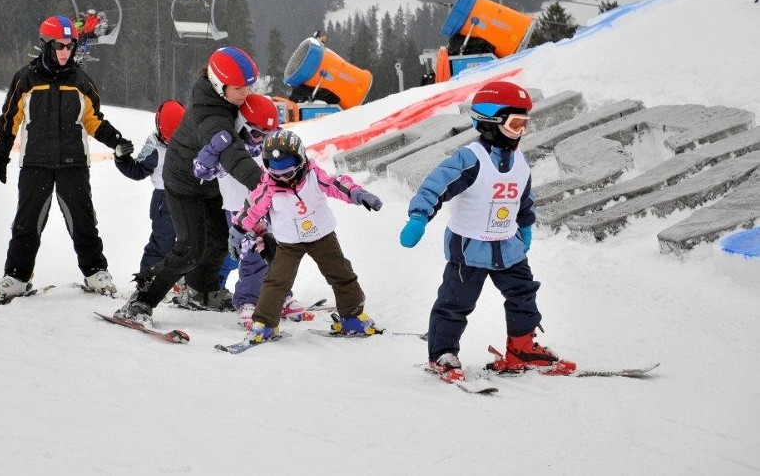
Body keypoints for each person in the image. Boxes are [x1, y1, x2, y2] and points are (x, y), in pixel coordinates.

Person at [399, 80, 574, 382]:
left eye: (525, 123)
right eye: (515, 123)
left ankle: (521, 348)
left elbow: (523, 197)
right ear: (491, 122)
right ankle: (442, 354)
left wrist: (526, 226)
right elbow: (436, 184)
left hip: (508, 245)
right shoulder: (471, 159)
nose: (521, 131)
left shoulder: (520, 160)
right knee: (455, 304)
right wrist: (419, 216)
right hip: (470, 247)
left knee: (523, 294)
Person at [113, 46, 264, 325]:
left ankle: (200, 291)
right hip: (183, 182)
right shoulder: (211, 116)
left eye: (248, 87)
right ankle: (141, 300)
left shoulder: (222, 97)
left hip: (207, 182)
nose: (246, 93)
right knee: (190, 248)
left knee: (218, 240)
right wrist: (264, 185)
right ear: (219, 84)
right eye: (239, 88)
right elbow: (233, 155)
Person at [0, 15, 134, 302]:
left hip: (73, 163)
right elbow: (10, 120)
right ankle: (17, 276)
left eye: (71, 46)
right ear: (46, 45)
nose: (66, 52)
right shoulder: (25, 79)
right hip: (35, 163)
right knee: (27, 222)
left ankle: (96, 272)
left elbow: (93, 120)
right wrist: (1, 153)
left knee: (83, 219)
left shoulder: (81, 81)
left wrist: (116, 140)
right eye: (60, 46)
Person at [229, 130, 383, 344]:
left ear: (300, 158)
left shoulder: (314, 175)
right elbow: (251, 208)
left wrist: (357, 194)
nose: (283, 176)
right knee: (276, 282)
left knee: (341, 273)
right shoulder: (268, 187)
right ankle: (265, 324)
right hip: (289, 243)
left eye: (288, 169)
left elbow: (336, 184)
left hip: (322, 236)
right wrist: (237, 229)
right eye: (276, 171)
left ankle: (352, 316)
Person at [192, 94, 307, 329]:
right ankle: (247, 301)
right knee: (252, 256)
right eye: (256, 134)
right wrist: (213, 149)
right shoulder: (229, 150)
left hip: (270, 208)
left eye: (267, 135)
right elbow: (200, 171)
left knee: (279, 253)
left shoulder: (266, 149)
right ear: (241, 126)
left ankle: (280, 294)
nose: (261, 141)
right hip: (241, 212)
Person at [113, 99, 187, 274]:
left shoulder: (193, 140)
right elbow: (137, 171)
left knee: (189, 241)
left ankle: (182, 277)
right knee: (163, 241)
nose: (171, 143)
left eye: (175, 139)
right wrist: (121, 158)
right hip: (164, 200)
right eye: (167, 139)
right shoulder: (154, 148)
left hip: (190, 199)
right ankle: (149, 276)